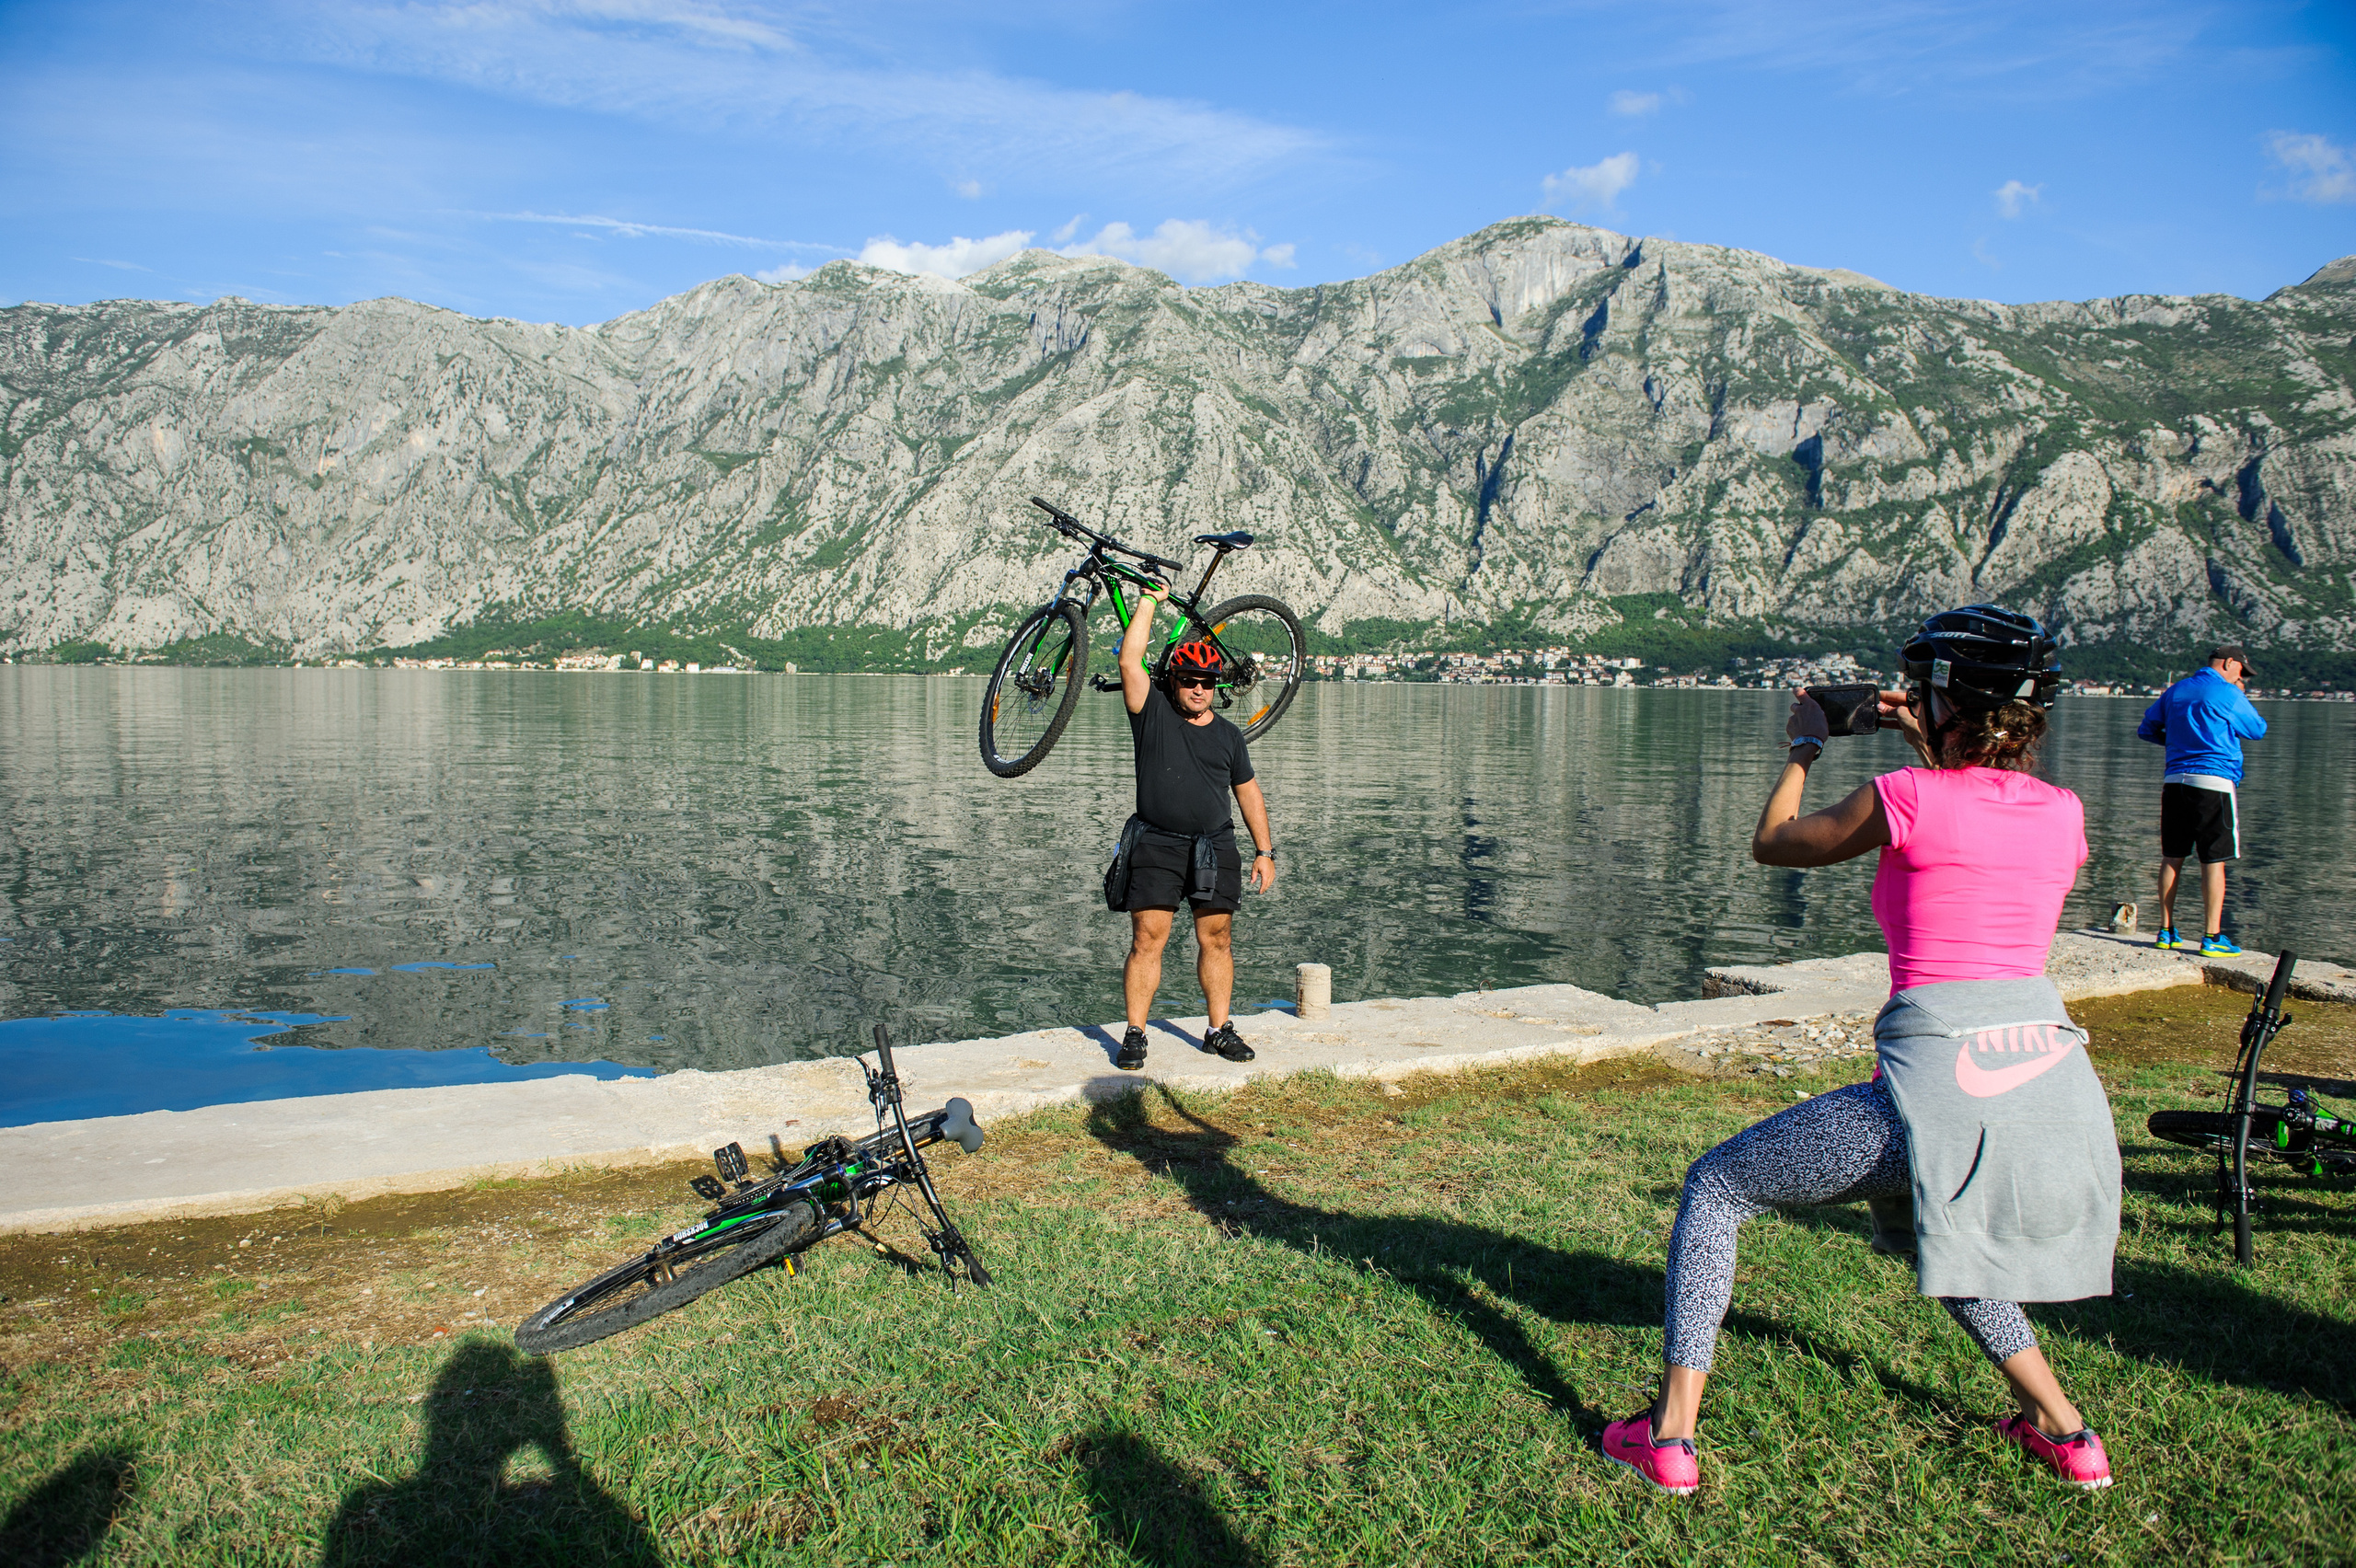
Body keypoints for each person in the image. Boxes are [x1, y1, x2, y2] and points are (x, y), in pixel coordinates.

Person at [1602, 605, 2120, 1497]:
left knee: (1716, 1186)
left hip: (1933, 1095)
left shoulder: (1907, 797)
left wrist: (1806, 744)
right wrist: (1937, 733)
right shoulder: (2064, 814)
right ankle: (2066, 1432)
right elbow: (1985, 817)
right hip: (2050, 1092)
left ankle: (1669, 1435)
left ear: (1939, 696)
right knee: (1943, 1230)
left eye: (1921, 686)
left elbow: (1774, 844)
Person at [1103, 582, 1276, 1072]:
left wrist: (1265, 851)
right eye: (1189, 679)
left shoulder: (1228, 735)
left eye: (1208, 681)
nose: (1199, 688)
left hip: (1215, 846)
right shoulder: (1151, 713)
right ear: (1173, 682)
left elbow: (1248, 792)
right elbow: (1129, 662)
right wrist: (1149, 601)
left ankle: (1218, 1030)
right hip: (1156, 841)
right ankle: (1135, 1033)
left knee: (1217, 938)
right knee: (1147, 938)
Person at [2138, 645, 2266, 956]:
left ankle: (2166, 931)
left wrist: (2180, 741)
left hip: (2175, 782)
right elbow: (2257, 729)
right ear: (2229, 663)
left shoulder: (2176, 691)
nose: (2242, 678)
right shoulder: (2228, 693)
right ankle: (2212, 936)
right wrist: (2237, 693)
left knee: (2172, 856)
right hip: (2213, 782)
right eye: (2241, 672)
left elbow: (2147, 730)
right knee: (2213, 860)